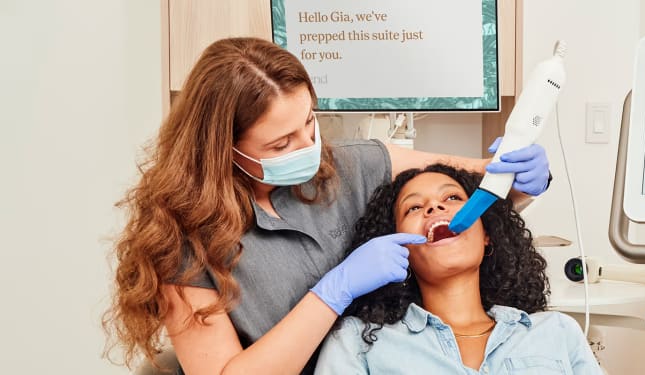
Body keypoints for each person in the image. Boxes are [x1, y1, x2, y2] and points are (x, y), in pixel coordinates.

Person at [102, 37, 552, 375]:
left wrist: (525, 178)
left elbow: (478, 183)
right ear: (224, 149)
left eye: (309, 122)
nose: (310, 148)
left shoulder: (354, 165)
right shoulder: (182, 242)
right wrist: (334, 289)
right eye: (281, 143)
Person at [315, 164, 603, 374]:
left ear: (487, 233)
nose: (434, 207)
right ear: (397, 248)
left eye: (452, 198)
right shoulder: (359, 341)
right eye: (413, 208)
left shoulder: (556, 331)